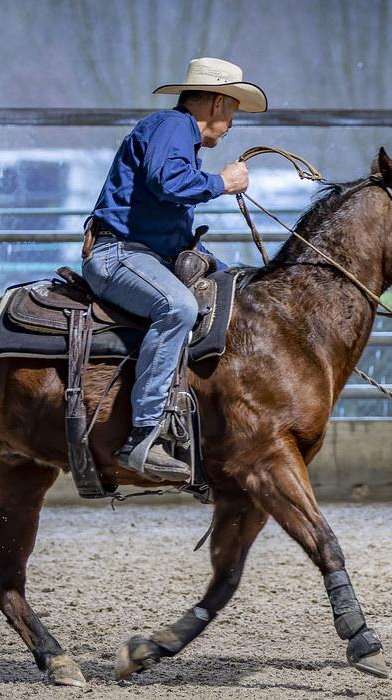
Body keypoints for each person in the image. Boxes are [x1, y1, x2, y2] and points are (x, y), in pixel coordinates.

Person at [82, 57, 268, 483]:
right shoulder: (173, 126)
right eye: (234, 109)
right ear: (219, 104)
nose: (232, 121)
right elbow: (166, 182)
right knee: (178, 307)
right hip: (117, 254)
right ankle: (145, 433)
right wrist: (223, 183)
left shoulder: (175, 135)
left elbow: (165, 216)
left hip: (140, 254)